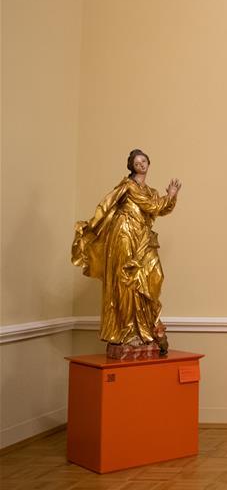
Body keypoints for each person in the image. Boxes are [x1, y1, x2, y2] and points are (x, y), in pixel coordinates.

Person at [72, 149, 181, 356]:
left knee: (154, 276)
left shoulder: (151, 191)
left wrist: (171, 197)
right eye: (136, 162)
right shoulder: (129, 186)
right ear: (131, 167)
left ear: (148, 163)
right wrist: (169, 196)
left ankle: (145, 328)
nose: (141, 164)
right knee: (126, 282)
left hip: (143, 238)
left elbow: (160, 209)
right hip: (124, 235)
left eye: (144, 160)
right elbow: (151, 206)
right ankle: (128, 332)